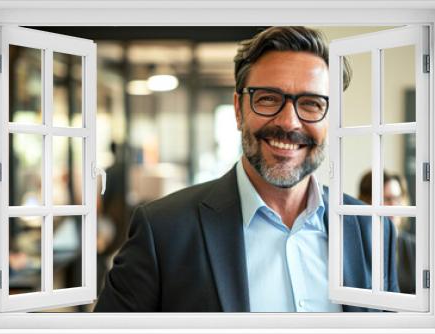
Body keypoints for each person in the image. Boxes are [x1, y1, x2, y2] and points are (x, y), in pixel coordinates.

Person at [94, 26, 398, 313]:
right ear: (239, 110)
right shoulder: (162, 230)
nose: (289, 122)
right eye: (268, 99)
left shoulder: (372, 230)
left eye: (311, 104)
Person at [358, 170, 415, 294]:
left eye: (398, 198)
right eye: (387, 199)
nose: (394, 205)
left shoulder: (415, 247)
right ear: (367, 201)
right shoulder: (356, 245)